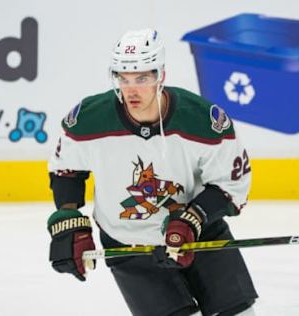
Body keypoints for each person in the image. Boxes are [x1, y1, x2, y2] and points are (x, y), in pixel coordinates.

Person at [47, 28, 258, 316]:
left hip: (199, 234)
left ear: (161, 76)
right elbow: (66, 170)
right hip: (128, 243)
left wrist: (194, 217)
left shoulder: (204, 122)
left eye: (142, 78)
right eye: (124, 77)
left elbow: (231, 188)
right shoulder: (87, 120)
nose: (131, 89)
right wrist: (69, 218)